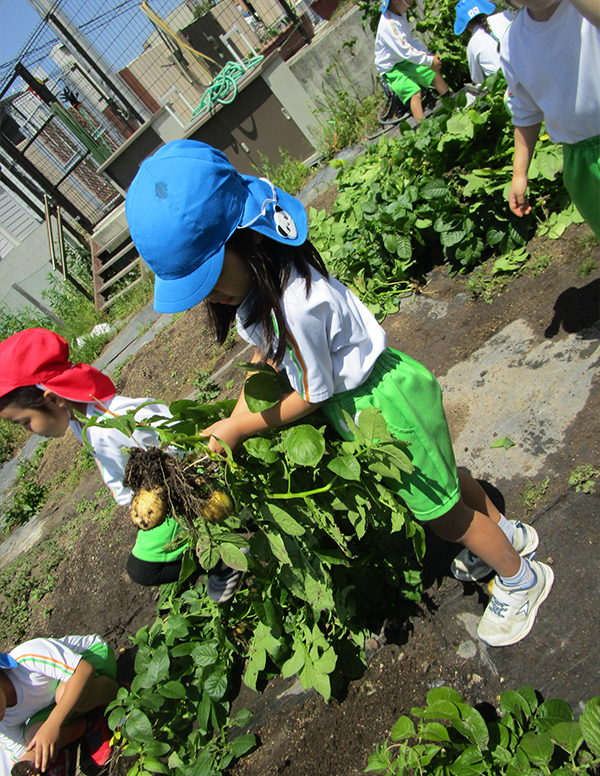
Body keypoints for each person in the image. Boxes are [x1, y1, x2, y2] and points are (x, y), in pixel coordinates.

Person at [124, 138, 553, 648]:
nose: (211, 297)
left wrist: (240, 426)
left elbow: (310, 393)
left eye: (211, 281)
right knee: (446, 480)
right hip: (380, 396)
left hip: (382, 405)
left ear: (251, 241)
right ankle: (508, 533)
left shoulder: (295, 304)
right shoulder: (269, 287)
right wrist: (234, 419)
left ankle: (519, 579)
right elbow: (266, 363)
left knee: (443, 514)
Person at [0, 330, 242, 602]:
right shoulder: (82, 421)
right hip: (158, 496)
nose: (31, 432)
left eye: (25, 422)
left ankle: (226, 559)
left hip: (177, 494)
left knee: (142, 570)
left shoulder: (109, 425)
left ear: (53, 399)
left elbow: (173, 438)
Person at [501, 0, 600, 238]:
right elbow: (526, 112)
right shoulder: (514, 42)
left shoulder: (585, 9)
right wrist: (519, 173)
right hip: (580, 160)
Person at [0, 634, 119, 776]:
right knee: (33, 738)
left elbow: (83, 671)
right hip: (58, 702)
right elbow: (24, 752)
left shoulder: (25, 659)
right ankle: (92, 721)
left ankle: (118, 695)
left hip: (92, 658)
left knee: (63, 694)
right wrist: (27, 767)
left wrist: (53, 723)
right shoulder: (3, 723)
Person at [374, 0, 451, 123]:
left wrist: (427, 55)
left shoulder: (400, 15)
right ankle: (422, 126)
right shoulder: (389, 25)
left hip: (404, 58)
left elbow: (410, 41)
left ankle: (451, 101)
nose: (411, 2)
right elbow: (406, 50)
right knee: (414, 92)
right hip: (392, 68)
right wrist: (429, 60)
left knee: (431, 71)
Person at [453, 0, 514, 84]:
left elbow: (479, 82)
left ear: (466, 25)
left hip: (504, 87)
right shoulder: (505, 16)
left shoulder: (472, 46)